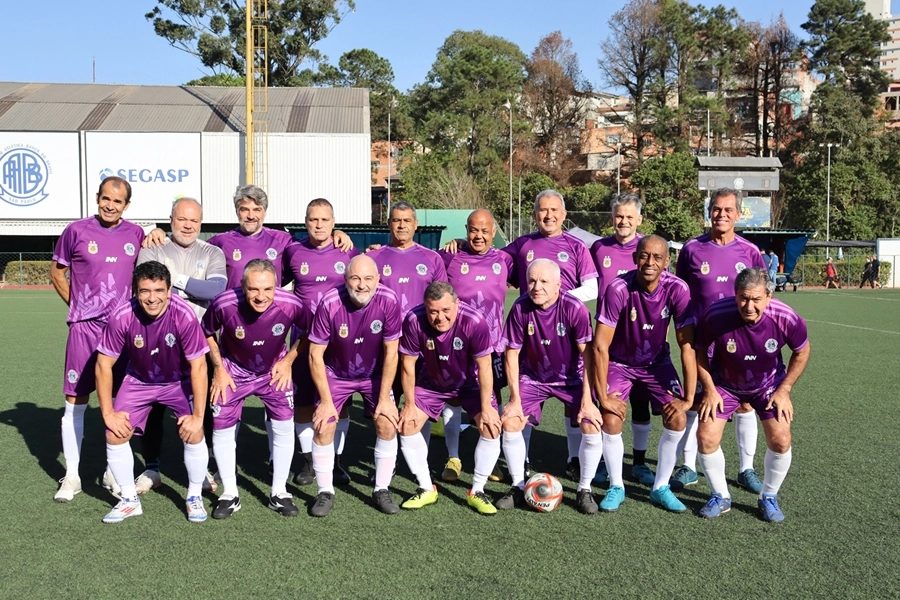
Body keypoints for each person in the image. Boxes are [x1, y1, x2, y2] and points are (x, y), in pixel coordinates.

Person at [113, 197, 226, 497]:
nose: (188, 225)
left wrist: (174, 279)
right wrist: (190, 287)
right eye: (181, 219)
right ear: (171, 219)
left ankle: (202, 470)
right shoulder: (153, 248)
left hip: (199, 340)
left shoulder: (212, 251)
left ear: (201, 223)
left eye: (194, 221)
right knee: (152, 409)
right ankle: (152, 467)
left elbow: (214, 291)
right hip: (153, 341)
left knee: (202, 406)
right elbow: (147, 288)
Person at [49, 176, 146, 502]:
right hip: (84, 329)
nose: (110, 205)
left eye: (117, 201)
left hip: (121, 332)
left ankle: (112, 472)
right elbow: (56, 272)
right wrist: (77, 306)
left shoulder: (135, 234)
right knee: (75, 401)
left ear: (126, 205)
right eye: (105, 198)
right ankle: (73, 477)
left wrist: (158, 231)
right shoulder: (76, 231)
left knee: (120, 403)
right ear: (97, 198)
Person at [95, 261, 210, 523]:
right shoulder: (122, 315)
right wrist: (108, 413)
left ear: (170, 290)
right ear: (135, 291)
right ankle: (128, 500)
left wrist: (198, 417)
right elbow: (103, 365)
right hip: (139, 381)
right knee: (114, 433)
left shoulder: (184, 315)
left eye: (159, 290)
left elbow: (199, 367)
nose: (152, 298)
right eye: (145, 291)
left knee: (194, 432)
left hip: (178, 380)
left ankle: (194, 496)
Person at [694, 268, 810, 522]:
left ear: (769, 296)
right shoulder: (715, 314)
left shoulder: (786, 317)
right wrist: (710, 390)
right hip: (724, 383)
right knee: (706, 437)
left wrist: (785, 389)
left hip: (768, 384)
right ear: (735, 295)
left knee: (781, 439)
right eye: (743, 298)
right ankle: (720, 495)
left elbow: (802, 351)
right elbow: (699, 352)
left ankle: (768, 496)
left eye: (756, 299)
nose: (749, 306)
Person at [672, 188, 767, 493]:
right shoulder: (691, 250)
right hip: (702, 342)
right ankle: (688, 466)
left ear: (738, 214)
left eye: (728, 210)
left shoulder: (750, 252)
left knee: (744, 404)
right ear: (708, 211)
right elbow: (680, 294)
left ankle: (746, 469)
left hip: (740, 342)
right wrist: (683, 331)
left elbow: (761, 298)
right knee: (696, 401)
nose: (722, 215)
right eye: (716, 209)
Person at [593, 236, 697, 513]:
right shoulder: (618, 288)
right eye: (644, 256)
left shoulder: (677, 289)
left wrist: (687, 398)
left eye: (657, 257)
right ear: (635, 257)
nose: (650, 263)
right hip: (619, 363)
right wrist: (602, 395)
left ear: (666, 262)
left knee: (677, 417)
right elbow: (600, 345)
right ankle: (617, 485)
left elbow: (687, 345)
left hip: (656, 364)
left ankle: (660, 487)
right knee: (611, 417)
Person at [201, 259, 305, 519]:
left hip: (274, 371)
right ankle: (229, 494)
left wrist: (288, 360)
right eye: (253, 290)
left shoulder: (292, 304)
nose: (261, 297)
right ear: (242, 286)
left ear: (277, 286)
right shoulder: (224, 303)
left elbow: (309, 331)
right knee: (222, 427)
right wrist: (219, 368)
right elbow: (206, 332)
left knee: (283, 426)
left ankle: (279, 492)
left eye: (268, 289)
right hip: (233, 372)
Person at [495, 259, 599, 513]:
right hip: (533, 377)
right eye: (531, 280)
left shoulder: (575, 308)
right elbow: (511, 354)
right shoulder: (520, 308)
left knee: (592, 423)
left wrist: (587, 401)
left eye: (543, 281)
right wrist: (514, 400)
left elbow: (588, 356)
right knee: (510, 422)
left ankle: (585, 489)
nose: (536, 286)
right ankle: (519, 486)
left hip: (571, 378)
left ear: (558, 285)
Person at [306, 255, 402, 516]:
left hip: (374, 373)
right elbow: (315, 354)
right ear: (345, 279)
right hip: (336, 373)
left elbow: (392, 352)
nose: (362, 285)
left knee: (386, 421)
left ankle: (381, 488)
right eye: (355, 278)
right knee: (324, 425)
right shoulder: (329, 302)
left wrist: (384, 399)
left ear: (378, 280)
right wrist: (326, 402)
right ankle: (325, 492)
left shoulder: (389, 300)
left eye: (368, 279)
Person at [397, 281, 502, 515]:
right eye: (433, 311)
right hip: (431, 383)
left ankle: (477, 491)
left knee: (491, 426)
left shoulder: (474, 321)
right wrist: (410, 405)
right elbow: (407, 364)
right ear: (425, 307)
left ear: (457, 303)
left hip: (470, 384)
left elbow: (484, 367)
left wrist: (486, 408)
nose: (439, 317)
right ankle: (426, 488)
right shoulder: (414, 320)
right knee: (407, 425)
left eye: (446, 310)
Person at [367, 202, 449, 473]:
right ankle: (386, 465)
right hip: (385, 347)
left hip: (422, 346)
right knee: (386, 406)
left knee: (418, 405)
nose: (401, 225)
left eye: (406, 220)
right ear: (388, 224)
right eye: (396, 220)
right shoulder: (376, 258)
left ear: (415, 225)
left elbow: (441, 300)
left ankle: (418, 463)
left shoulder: (432, 258)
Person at [284, 198, 359, 488]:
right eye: (313, 219)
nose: (319, 225)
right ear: (306, 221)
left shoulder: (347, 249)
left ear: (333, 222)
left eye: (325, 220)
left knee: (341, 400)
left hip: (340, 339)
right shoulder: (292, 250)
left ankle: (336, 460)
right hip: (303, 338)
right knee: (303, 401)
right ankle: (307, 462)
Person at [438, 209, 513, 483]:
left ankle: (490, 461)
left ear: (494, 232)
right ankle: (453, 457)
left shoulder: (505, 259)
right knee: (454, 397)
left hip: (493, 346)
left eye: (484, 230)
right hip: (456, 345)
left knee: (492, 398)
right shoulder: (450, 256)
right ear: (466, 230)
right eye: (473, 229)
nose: (478, 235)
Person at [589, 193, 654, 487]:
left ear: (639, 219)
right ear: (611, 217)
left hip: (642, 345)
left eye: (629, 216)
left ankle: (639, 463)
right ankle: (603, 462)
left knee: (640, 405)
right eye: (619, 216)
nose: (623, 221)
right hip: (607, 345)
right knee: (606, 403)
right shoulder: (598, 247)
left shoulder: (648, 251)